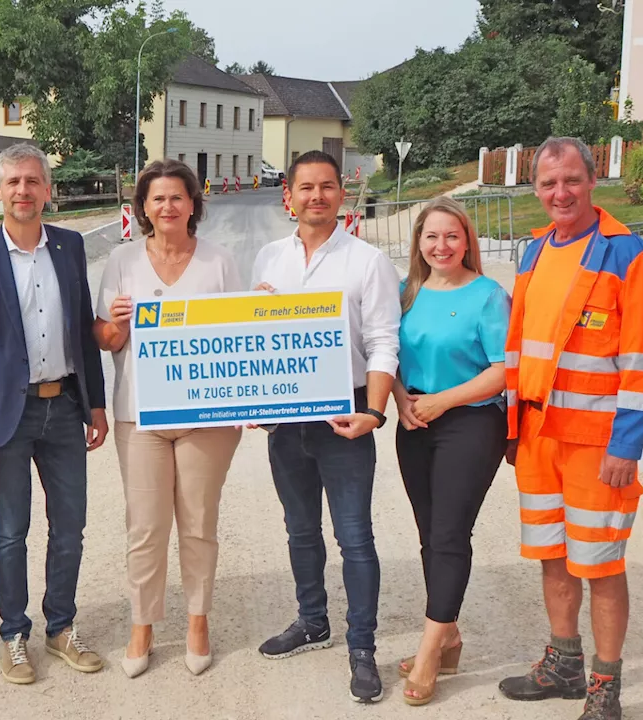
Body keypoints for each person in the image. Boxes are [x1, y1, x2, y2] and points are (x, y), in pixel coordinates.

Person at [498, 137, 643, 720]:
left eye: (571, 180)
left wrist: (627, 445)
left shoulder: (629, 256)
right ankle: (563, 662)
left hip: (599, 448)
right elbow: (521, 347)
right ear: (535, 190)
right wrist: (512, 426)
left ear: (592, 181)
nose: (560, 193)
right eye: (548, 184)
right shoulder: (533, 253)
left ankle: (605, 686)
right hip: (539, 440)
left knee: (600, 566)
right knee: (552, 555)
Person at [0, 142, 109, 685]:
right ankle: (13, 634)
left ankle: (60, 625)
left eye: (33, 181)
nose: (23, 191)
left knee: (71, 527)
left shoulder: (68, 247)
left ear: (47, 189)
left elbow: (84, 332)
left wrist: (96, 404)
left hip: (64, 408)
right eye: (13, 182)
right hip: (5, 418)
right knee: (11, 531)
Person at [250, 150, 400, 704]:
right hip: (286, 419)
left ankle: (363, 647)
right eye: (305, 187)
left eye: (327, 187)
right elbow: (254, 341)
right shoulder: (268, 258)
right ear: (287, 195)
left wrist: (375, 412)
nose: (317, 196)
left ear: (343, 194)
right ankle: (312, 620)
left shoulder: (367, 261)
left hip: (347, 412)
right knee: (300, 530)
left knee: (354, 536)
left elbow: (385, 341)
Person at [94, 159, 243, 678]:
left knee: (199, 524)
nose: (167, 207)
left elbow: (238, 339)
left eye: (177, 197)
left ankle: (198, 620)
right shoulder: (122, 260)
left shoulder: (220, 262)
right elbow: (107, 342)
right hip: (140, 415)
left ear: (193, 204)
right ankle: (143, 624)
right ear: (143, 208)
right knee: (146, 526)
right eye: (156, 199)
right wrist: (116, 325)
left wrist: (266, 312)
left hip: (206, 416)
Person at [389, 197, 511, 706]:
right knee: (428, 533)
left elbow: (503, 369)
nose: (442, 246)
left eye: (452, 236)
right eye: (431, 237)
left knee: (449, 534)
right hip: (413, 421)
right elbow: (384, 351)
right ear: (419, 243)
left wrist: (444, 401)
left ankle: (429, 650)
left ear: (467, 242)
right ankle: (451, 635)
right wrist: (399, 399)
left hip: (471, 421)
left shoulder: (487, 295)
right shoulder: (406, 292)